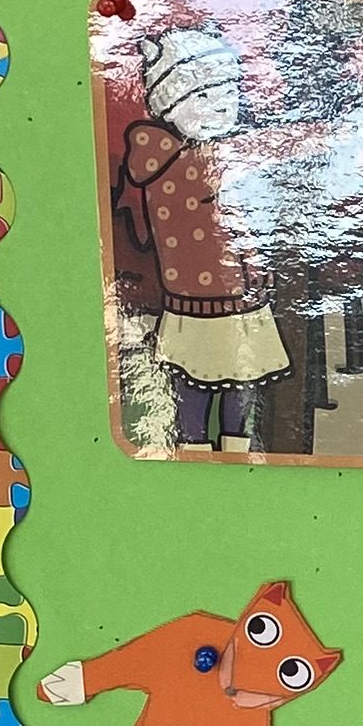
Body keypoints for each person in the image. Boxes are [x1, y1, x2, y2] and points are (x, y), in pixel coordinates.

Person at [115, 28, 285, 452]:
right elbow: (234, 222)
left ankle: (216, 457)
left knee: (221, 384)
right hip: (215, 301)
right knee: (218, 384)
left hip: (218, 298)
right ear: (173, 104)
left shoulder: (187, 157)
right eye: (204, 95)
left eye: (228, 92)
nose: (222, 105)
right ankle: (211, 458)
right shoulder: (190, 162)